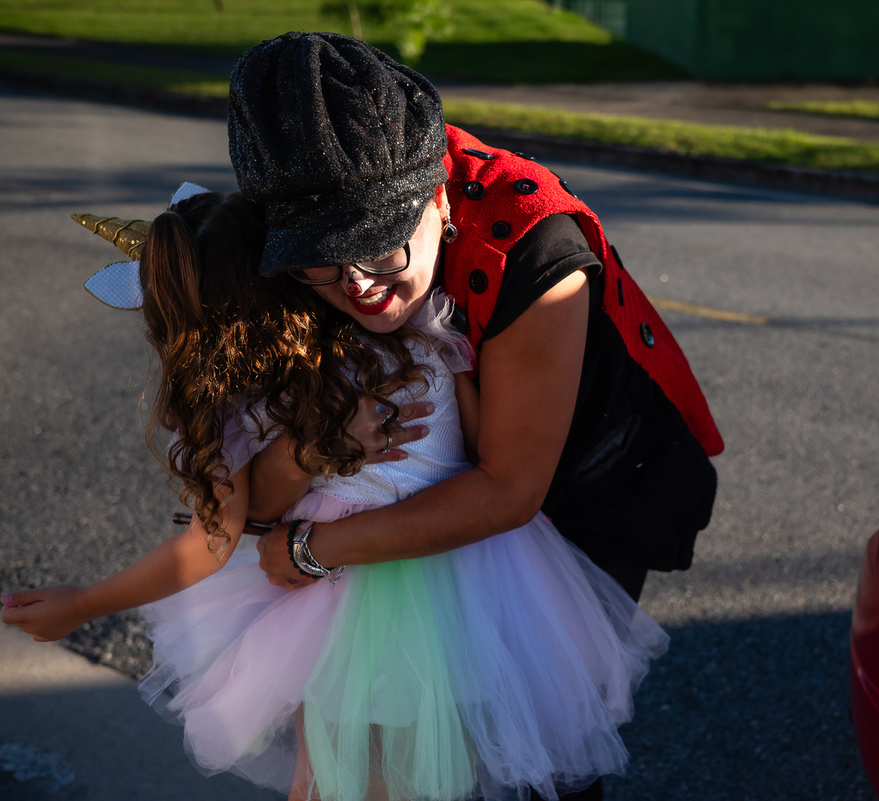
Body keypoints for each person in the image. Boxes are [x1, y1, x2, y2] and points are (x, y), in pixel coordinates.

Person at [1, 187, 668, 801]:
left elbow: (211, 542)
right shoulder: (414, 331)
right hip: (458, 582)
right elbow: (476, 453)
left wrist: (86, 602)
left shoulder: (261, 394)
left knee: (335, 781)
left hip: (364, 593)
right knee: (384, 777)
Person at [233, 32, 723, 625]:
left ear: (437, 197)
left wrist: (310, 549)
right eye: (321, 255)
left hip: (589, 483)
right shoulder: (289, 247)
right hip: (420, 507)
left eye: (377, 245)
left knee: (539, 706)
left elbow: (508, 491)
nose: (357, 282)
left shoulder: (537, 253)